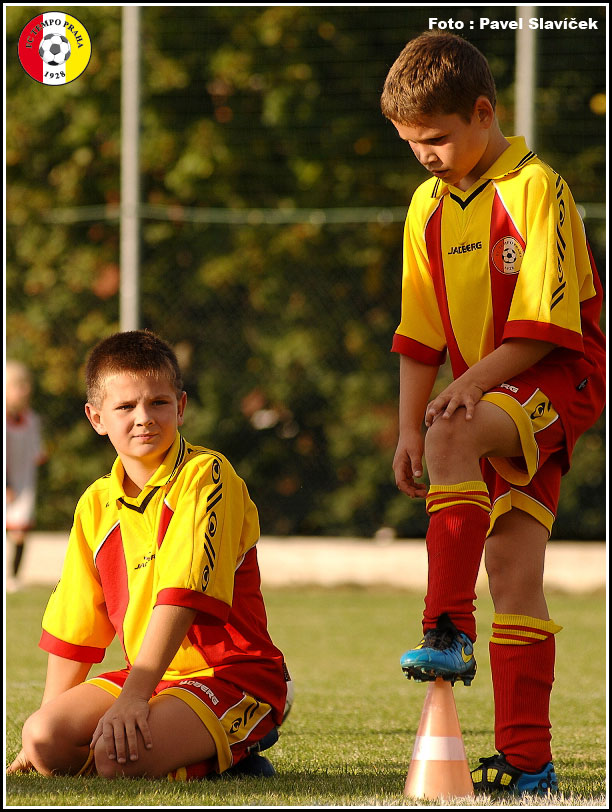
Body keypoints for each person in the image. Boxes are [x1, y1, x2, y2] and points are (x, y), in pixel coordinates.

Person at [380, 32, 605, 796]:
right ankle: (529, 762)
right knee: (513, 572)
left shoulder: (537, 188)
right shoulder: (427, 207)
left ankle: (446, 627)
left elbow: (545, 329)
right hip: (490, 392)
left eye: (437, 139)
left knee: (453, 430)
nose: (426, 156)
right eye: (412, 144)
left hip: (560, 376)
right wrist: (408, 429)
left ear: (484, 112)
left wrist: (460, 396)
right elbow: (419, 336)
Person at [8, 330, 293, 780]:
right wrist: (39, 738)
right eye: (125, 407)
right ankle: (186, 745)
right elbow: (75, 627)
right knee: (45, 739)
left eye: (158, 403)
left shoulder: (207, 475)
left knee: (117, 760)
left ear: (180, 406)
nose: (144, 418)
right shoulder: (95, 503)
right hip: (150, 677)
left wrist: (134, 698)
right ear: (96, 417)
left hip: (231, 675)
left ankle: (241, 749)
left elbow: (181, 596)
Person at [6, 360, 47, 593]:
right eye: (18, 385)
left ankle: (13, 577)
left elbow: (36, 452)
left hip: (24, 484)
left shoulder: (31, 419)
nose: (24, 390)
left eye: (26, 385)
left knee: (20, 531)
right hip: (9, 484)